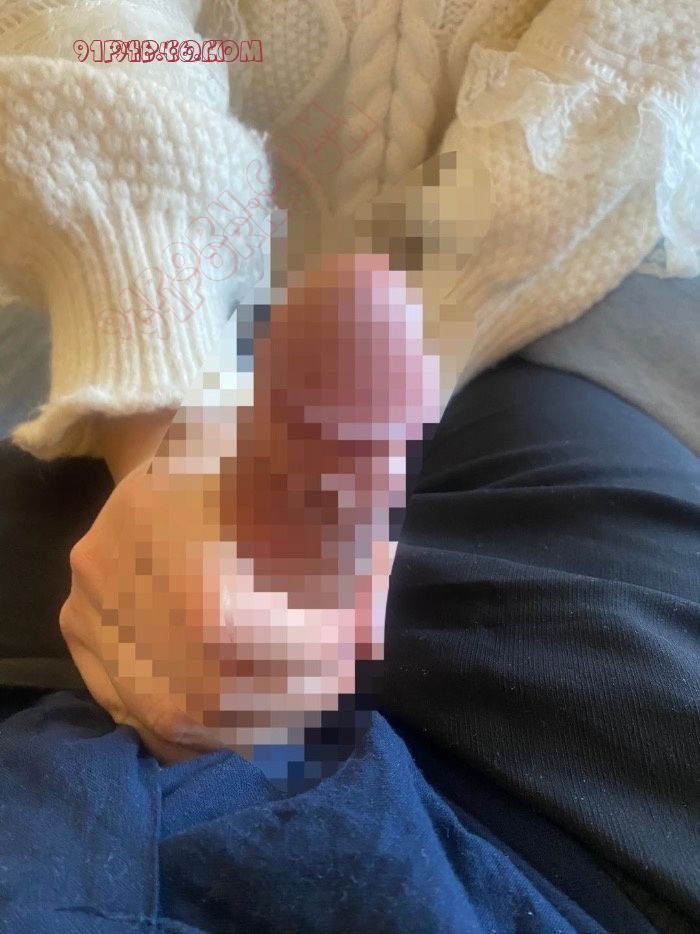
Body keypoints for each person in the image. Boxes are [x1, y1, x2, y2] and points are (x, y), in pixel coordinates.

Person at [0, 0, 698, 929]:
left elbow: (633, 63)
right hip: (147, 286)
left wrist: (351, 401)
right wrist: (165, 412)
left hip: (539, 300)